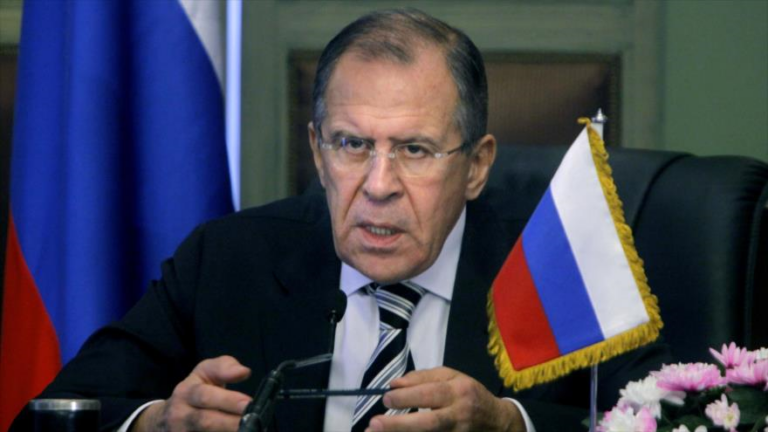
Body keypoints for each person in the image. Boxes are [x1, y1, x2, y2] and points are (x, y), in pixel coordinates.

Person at [11, 9, 669, 432]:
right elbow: (51, 415)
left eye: (415, 150)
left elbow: (675, 420)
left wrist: (510, 423)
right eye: (352, 145)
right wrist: (158, 421)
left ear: (476, 166)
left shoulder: (560, 268)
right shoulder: (229, 259)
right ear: (317, 150)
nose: (378, 186)